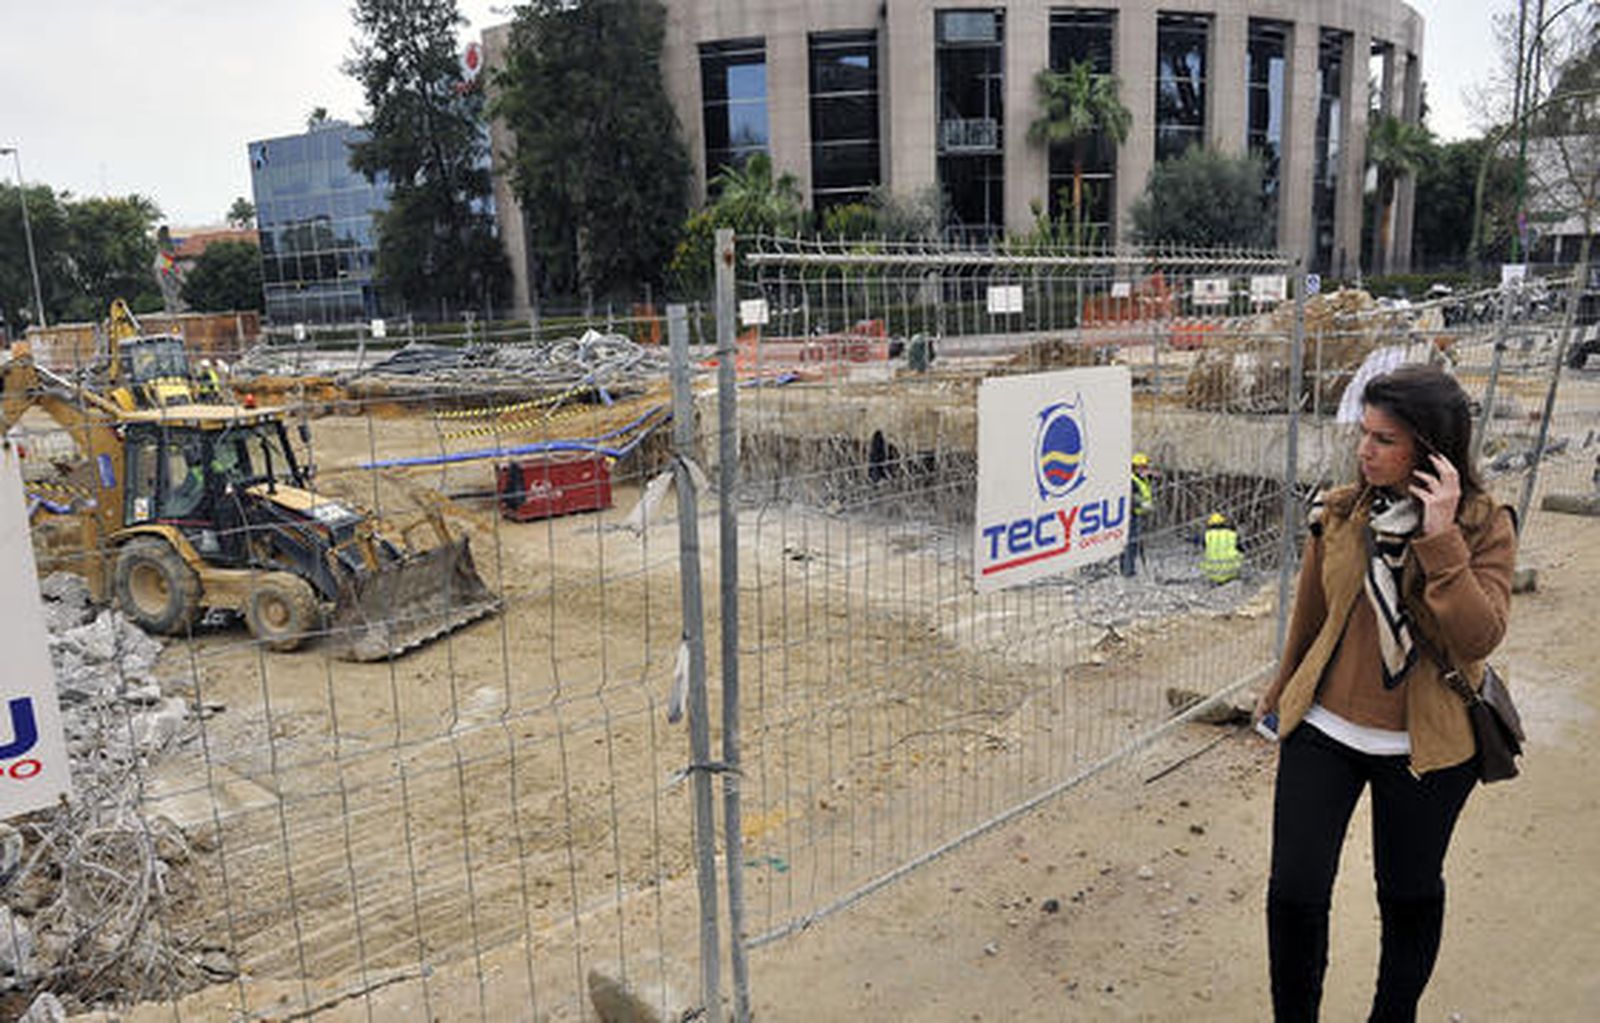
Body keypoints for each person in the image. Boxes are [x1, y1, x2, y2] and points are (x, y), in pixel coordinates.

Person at [1253, 364, 1517, 1022]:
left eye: (1385, 439)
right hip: (1325, 729)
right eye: (1363, 433)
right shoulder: (1340, 510)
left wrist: (1440, 537)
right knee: (1294, 891)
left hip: (1426, 745)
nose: (1365, 450)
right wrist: (1281, 688)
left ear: (1432, 449)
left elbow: (1479, 635)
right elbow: (1312, 614)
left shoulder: (1484, 524)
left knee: (1407, 893)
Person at [1121, 452, 1155, 576]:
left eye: (1146, 467)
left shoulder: (1142, 479)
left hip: (1138, 515)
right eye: (1143, 467)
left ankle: (1130, 568)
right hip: (1131, 516)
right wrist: (1142, 505)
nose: (1145, 469)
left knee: (1134, 543)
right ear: (1135, 467)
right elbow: (1132, 498)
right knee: (1130, 543)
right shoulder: (1131, 480)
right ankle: (1127, 571)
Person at [1201, 512, 1242, 583]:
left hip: (1213, 574)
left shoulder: (1207, 535)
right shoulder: (1232, 534)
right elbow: (1242, 550)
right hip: (1231, 572)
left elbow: (1204, 548)